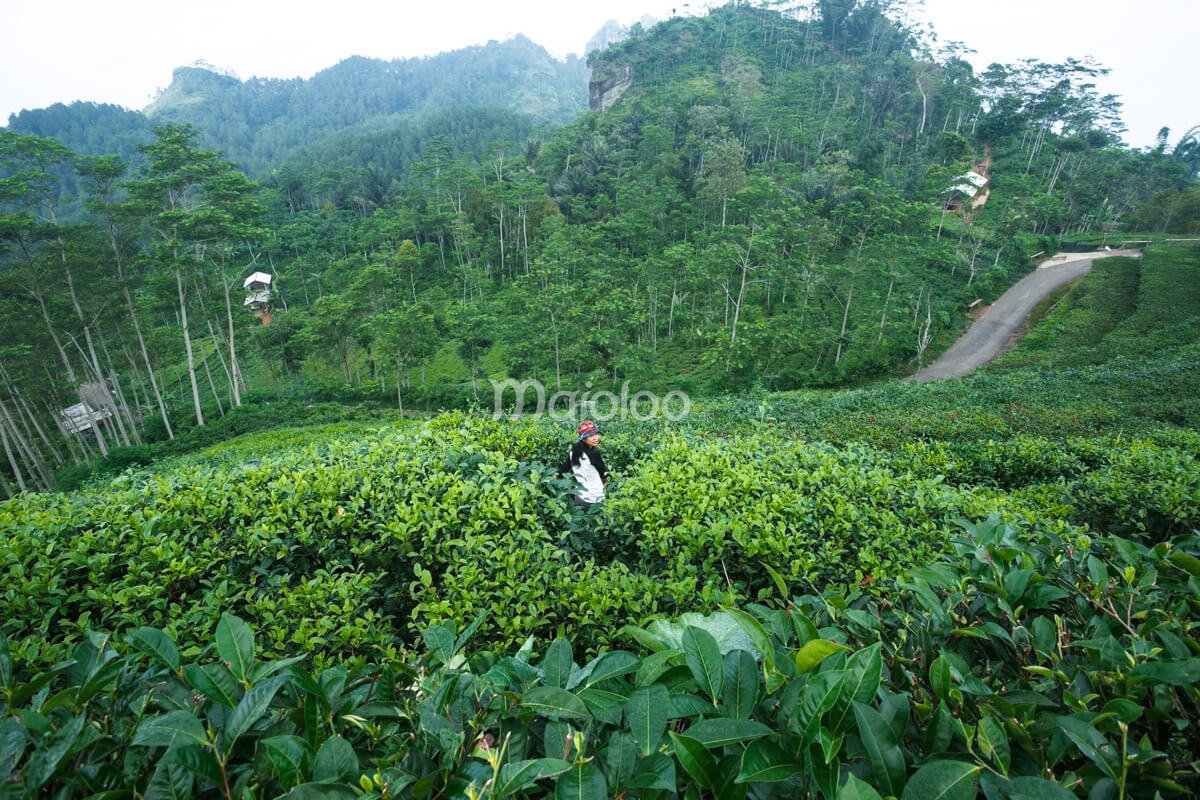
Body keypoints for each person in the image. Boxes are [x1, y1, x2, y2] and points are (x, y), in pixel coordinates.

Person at [557, 420, 608, 508]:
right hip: (595, 499)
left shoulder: (573, 451)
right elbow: (604, 475)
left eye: (596, 434)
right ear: (584, 438)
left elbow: (561, 473)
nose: (596, 438)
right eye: (591, 436)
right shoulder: (594, 453)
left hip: (580, 497)